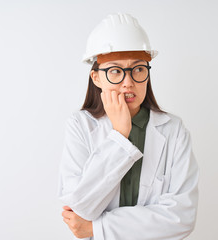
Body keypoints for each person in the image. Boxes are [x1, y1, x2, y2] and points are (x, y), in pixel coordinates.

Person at [57, 13, 199, 240]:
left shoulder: (173, 130)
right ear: (96, 78)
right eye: (115, 71)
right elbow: (80, 209)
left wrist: (96, 228)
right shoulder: (80, 126)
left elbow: (181, 218)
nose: (128, 82)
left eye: (138, 69)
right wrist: (119, 135)